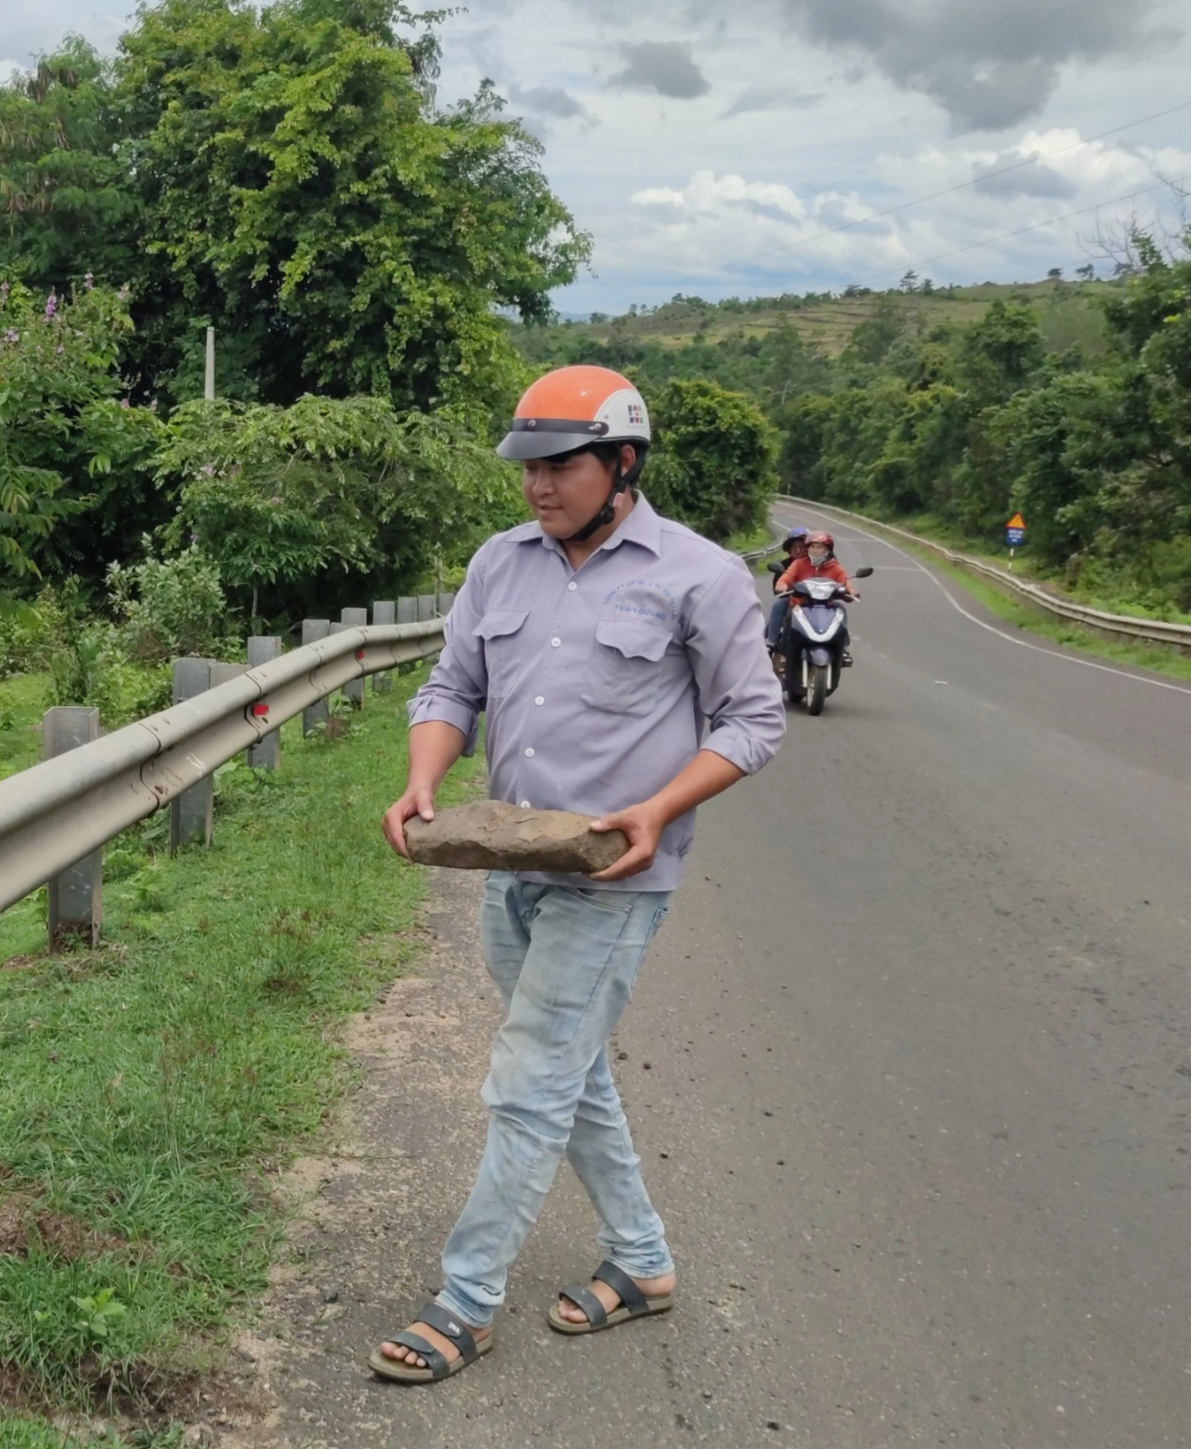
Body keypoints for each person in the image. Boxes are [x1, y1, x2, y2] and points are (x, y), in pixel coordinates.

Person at [371, 364, 785, 1384]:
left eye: (561, 466)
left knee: (528, 1081)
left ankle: (464, 1303)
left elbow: (752, 720)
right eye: (527, 467)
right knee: (568, 1070)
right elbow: (449, 685)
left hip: (613, 877)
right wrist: (424, 780)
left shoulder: (697, 574)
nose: (538, 487)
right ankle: (641, 1265)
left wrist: (657, 807)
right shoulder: (497, 565)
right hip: (507, 865)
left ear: (622, 461)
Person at [774, 530, 857, 668]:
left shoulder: (835, 567)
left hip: (826, 606)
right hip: (800, 605)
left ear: (827, 550)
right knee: (789, 616)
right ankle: (784, 651)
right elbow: (785, 579)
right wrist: (782, 585)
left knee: (841, 610)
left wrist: (851, 591)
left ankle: (842, 648)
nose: (815, 551)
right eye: (812, 547)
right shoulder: (799, 564)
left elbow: (845, 584)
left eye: (819, 547)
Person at [763, 526, 811, 662]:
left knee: (837, 609)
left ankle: (839, 645)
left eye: (802, 546)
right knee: (779, 605)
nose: (798, 551)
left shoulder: (819, 563)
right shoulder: (784, 565)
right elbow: (777, 588)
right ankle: (770, 643)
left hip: (817, 602)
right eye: (794, 547)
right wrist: (785, 587)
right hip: (793, 600)